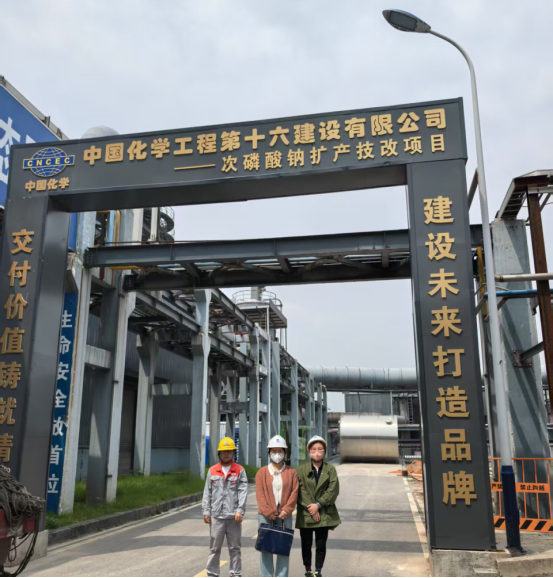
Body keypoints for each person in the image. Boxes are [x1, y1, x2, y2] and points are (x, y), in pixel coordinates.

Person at [296, 435, 341, 578]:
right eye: (314, 449)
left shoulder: (330, 469)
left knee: (321, 544)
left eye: (320, 449)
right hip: (306, 512)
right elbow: (299, 491)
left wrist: (318, 504)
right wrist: (312, 508)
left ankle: (318, 570)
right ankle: (308, 569)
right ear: (309, 451)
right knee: (306, 543)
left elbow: (333, 490)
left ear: (325, 451)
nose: (317, 452)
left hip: (323, 512)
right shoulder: (301, 470)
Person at [202, 437, 248, 577]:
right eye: (223, 451)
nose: (226, 454)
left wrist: (240, 510)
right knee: (214, 549)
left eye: (229, 451)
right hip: (216, 517)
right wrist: (206, 511)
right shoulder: (212, 470)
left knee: (235, 549)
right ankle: (212, 574)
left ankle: (235, 574)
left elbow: (243, 492)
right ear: (219, 453)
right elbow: (207, 492)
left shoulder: (239, 470)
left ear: (233, 452)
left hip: (234, 517)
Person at [255, 435, 299, 577]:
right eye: (274, 451)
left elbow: (294, 492)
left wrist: (287, 510)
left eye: (280, 451)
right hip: (265, 516)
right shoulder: (261, 472)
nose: (277, 454)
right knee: (265, 549)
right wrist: (268, 512)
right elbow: (260, 494)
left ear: (285, 453)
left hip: (285, 516)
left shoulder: (291, 472)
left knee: (283, 549)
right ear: (269, 453)